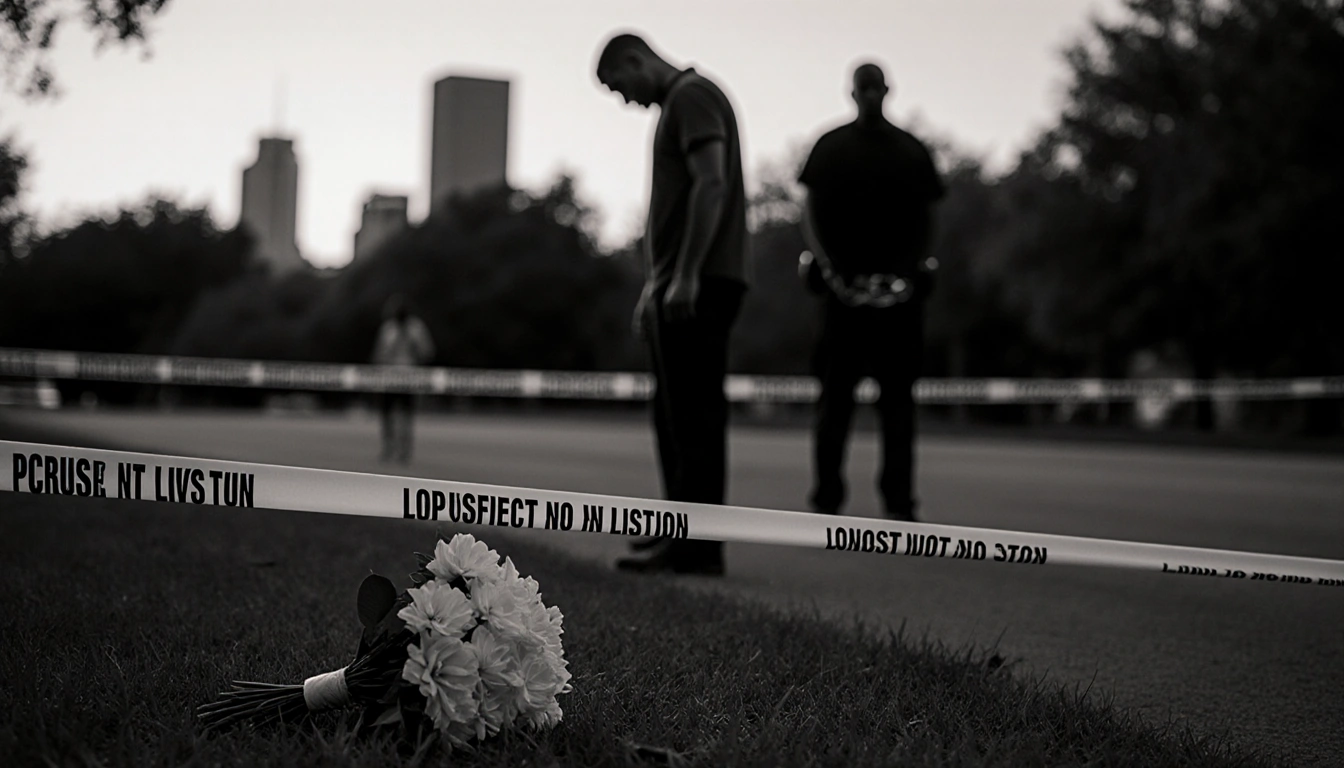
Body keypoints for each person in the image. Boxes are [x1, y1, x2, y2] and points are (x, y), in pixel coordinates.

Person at [594, 32, 750, 575]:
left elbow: (711, 184)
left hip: (701, 282)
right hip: (678, 283)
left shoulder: (693, 96)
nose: (625, 99)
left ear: (636, 60)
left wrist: (685, 275)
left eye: (621, 85)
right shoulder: (680, 103)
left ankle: (698, 547)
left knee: (694, 415)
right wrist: (653, 285)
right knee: (673, 415)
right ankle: (679, 531)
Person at [797, 62, 945, 522]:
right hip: (842, 299)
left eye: (875, 88)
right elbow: (810, 213)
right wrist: (829, 269)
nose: (869, 96)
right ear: (852, 92)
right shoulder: (830, 147)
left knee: (898, 405)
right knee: (834, 403)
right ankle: (825, 501)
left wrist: (908, 274)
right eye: (862, 89)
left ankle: (900, 504)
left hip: (898, 301)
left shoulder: (910, 151)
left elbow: (928, 219)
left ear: (888, 90)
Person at [371, 294, 435, 464]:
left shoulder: (416, 328)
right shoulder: (388, 329)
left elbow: (427, 352)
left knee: (406, 415)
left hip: (408, 377)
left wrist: (415, 350)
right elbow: (379, 353)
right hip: (388, 378)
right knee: (387, 415)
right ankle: (389, 447)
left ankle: (405, 450)